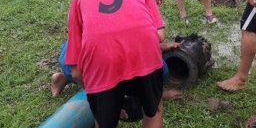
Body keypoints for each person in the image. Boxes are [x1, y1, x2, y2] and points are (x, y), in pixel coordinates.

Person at [65, 0, 169, 128]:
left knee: (105, 126)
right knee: (154, 113)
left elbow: (76, 72)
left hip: (101, 60)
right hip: (144, 51)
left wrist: (98, 91)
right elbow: (160, 34)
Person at [51, 41, 183, 100]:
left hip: (69, 54)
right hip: (82, 69)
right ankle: (69, 77)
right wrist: (159, 95)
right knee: (161, 71)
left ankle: (64, 78)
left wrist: (159, 46)